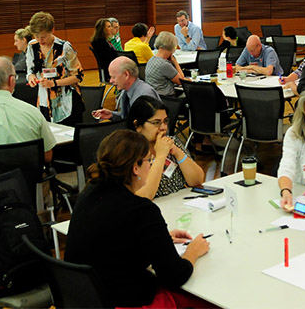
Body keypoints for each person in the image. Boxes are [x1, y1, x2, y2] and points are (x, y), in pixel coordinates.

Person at [64, 130, 211, 308]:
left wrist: (157, 240)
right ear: (135, 168)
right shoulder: (141, 210)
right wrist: (192, 252)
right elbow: (175, 276)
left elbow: (113, 241)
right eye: (150, 160)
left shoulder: (90, 193)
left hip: (85, 298)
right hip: (124, 301)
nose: (151, 165)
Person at [127, 96, 205, 199]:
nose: (163, 127)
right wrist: (160, 156)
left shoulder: (171, 141)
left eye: (165, 121)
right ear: (137, 126)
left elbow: (197, 180)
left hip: (180, 204)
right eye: (156, 123)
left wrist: (177, 152)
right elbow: (144, 196)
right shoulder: (130, 152)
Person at [25, 11, 84, 126]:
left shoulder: (64, 47)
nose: (40, 41)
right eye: (36, 37)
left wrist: (54, 83)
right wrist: (31, 78)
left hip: (67, 102)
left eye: (43, 37)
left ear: (52, 30)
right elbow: (30, 70)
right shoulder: (32, 46)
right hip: (44, 101)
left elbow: (78, 76)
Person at [93, 57, 160, 121]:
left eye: (113, 77)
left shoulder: (145, 95)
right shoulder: (125, 91)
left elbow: (153, 126)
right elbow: (127, 118)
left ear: (126, 75)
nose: (111, 81)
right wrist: (112, 115)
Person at [146, 31, 186, 96]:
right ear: (171, 47)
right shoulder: (164, 65)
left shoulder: (151, 60)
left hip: (155, 96)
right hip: (167, 98)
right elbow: (181, 81)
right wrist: (175, 62)